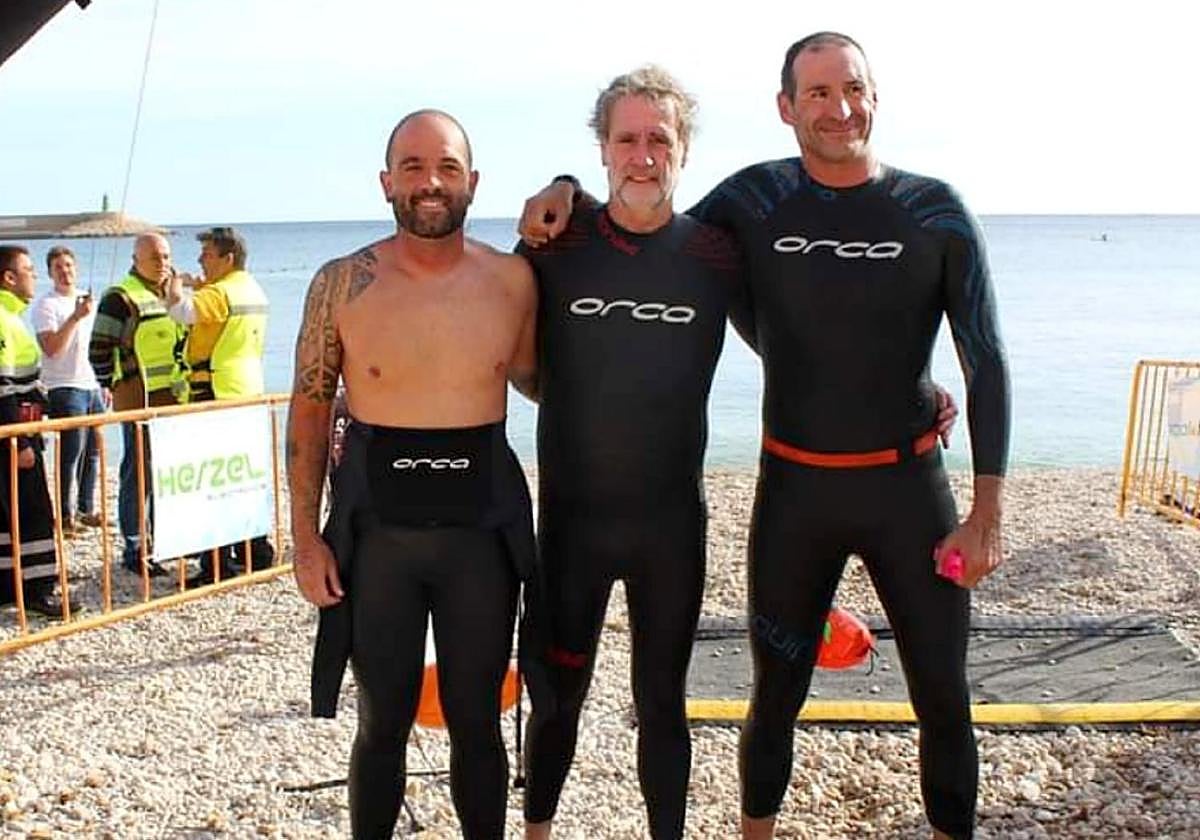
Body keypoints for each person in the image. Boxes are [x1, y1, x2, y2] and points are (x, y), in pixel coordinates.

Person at [518, 32, 1009, 840]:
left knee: (945, 698)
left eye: (851, 88)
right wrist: (566, 187)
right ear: (786, 108)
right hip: (794, 495)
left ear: (875, 96)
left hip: (910, 489)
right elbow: (644, 233)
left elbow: (986, 359)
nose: (837, 107)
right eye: (815, 92)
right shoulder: (750, 203)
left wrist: (984, 509)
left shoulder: (936, 210)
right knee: (772, 698)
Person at [286, 110, 538, 840]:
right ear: (387, 181)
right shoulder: (342, 283)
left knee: (477, 724)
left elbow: (551, 383)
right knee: (381, 723)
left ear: (473, 182)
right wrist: (306, 539)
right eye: (415, 167)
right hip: (379, 542)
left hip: (480, 540)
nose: (432, 182)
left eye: (449, 167)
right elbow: (308, 411)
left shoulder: (514, 280)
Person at [165, 226, 273, 582]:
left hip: (214, 388)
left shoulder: (220, 292)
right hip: (247, 387)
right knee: (243, 474)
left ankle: (215, 564)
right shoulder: (251, 288)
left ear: (227, 259)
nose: (200, 260)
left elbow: (181, 313)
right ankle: (255, 550)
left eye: (207, 254)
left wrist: (175, 285)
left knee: (212, 482)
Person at [88, 232, 185, 577]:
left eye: (167, 256)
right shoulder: (121, 297)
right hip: (137, 396)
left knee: (165, 472)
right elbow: (98, 347)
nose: (164, 264)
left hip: (170, 397)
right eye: (156, 257)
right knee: (138, 472)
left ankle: (161, 540)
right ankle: (134, 545)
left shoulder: (171, 294)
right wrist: (111, 383)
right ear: (137, 259)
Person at [0, 245, 64, 616]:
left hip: (21, 428)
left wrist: (47, 404)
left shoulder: (13, 318)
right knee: (33, 512)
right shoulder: (5, 321)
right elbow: (3, 388)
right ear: (9, 278)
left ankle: (10, 587)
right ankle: (38, 590)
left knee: (8, 513)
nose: (34, 276)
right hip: (15, 435)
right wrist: (19, 440)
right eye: (28, 270)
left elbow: (26, 381)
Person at [29, 246, 106, 536]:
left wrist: (104, 381)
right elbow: (52, 349)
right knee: (70, 453)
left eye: (69, 265)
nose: (65, 271)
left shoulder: (87, 301)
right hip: (63, 386)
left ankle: (86, 508)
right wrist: (74, 318)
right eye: (59, 267)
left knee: (93, 451)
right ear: (50, 272)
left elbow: (96, 346)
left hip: (91, 383)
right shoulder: (46, 306)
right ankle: (64, 516)